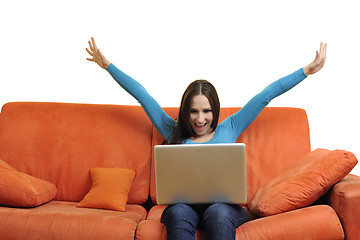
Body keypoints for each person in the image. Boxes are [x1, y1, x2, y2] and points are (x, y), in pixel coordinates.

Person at [86, 37, 327, 240]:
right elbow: (142, 95)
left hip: (225, 209)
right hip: (183, 208)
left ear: (215, 110)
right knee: (179, 212)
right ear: (185, 112)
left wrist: (306, 71)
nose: (200, 119)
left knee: (218, 213)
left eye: (206, 111)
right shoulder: (173, 131)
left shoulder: (230, 126)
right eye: (193, 111)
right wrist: (108, 66)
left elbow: (265, 96)